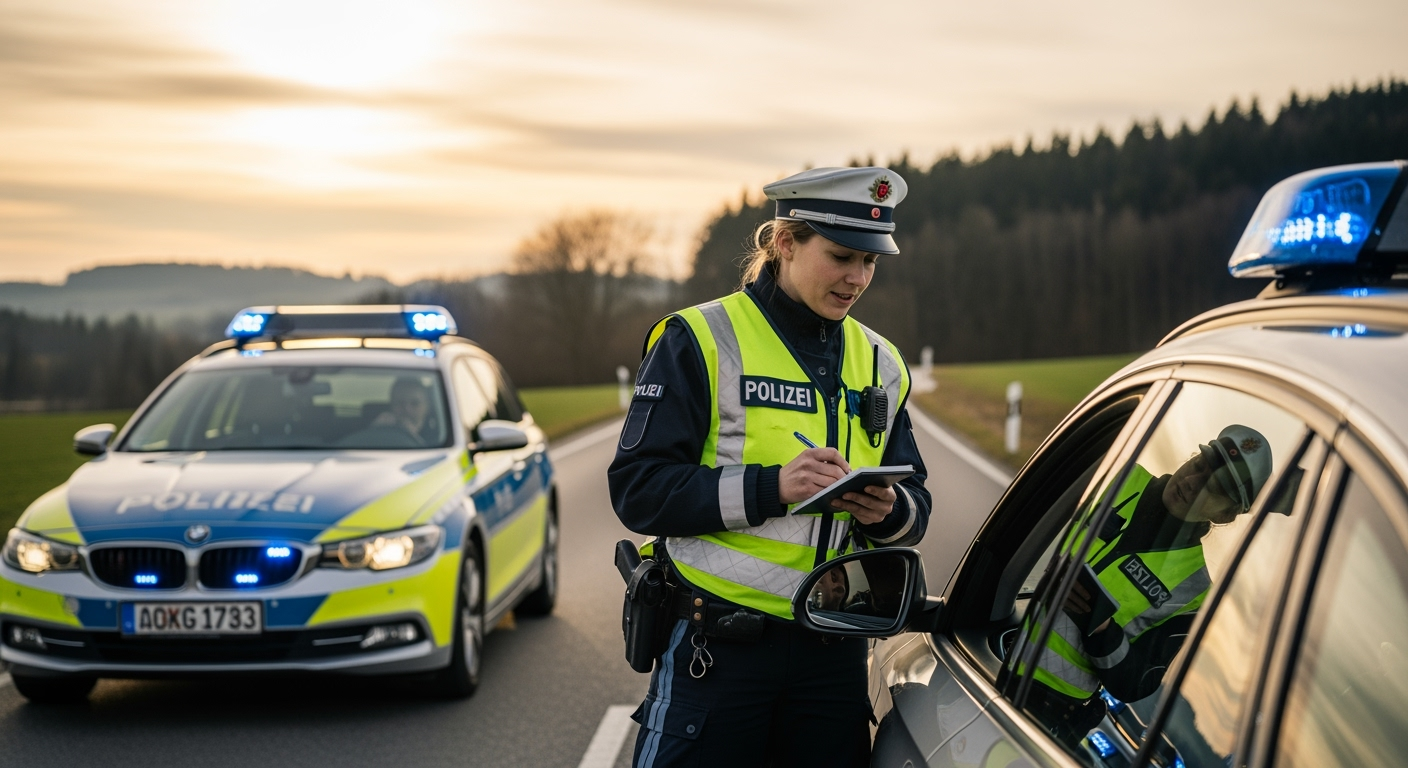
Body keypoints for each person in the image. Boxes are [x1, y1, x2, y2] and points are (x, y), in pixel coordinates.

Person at [609, 166, 932, 767]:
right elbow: (637, 490)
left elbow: (917, 510)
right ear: (784, 242)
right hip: (719, 653)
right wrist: (770, 488)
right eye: (841, 257)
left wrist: (888, 513)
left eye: (870, 263)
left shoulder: (882, 361)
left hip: (832, 660)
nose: (857, 278)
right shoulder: (698, 337)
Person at [1021, 424, 1273, 748]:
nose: (1192, 483)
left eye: (1212, 488)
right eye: (1199, 466)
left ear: (1225, 515)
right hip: (1006, 658)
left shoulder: (1195, 592)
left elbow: (1139, 683)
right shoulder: (1117, 476)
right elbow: (1030, 529)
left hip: (1049, 713)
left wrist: (1102, 631)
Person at [371, 376, 432, 444]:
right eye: (400, 403)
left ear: (427, 407)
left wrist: (412, 436)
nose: (407, 409)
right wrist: (374, 431)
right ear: (391, 407)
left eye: (415, 403)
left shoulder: (441, 438)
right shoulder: (378, 430)